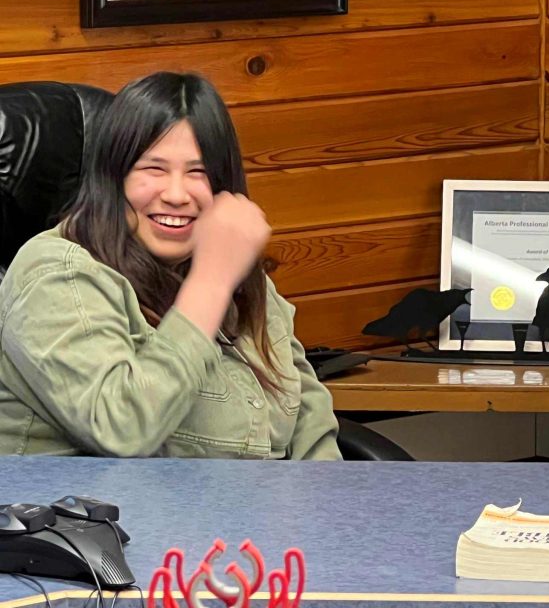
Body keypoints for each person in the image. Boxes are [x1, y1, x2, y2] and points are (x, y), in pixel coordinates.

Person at [0, 72, 341, 459]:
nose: (177, 194)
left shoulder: (235, 272)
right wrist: (211, 284)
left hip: (252, 515)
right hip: (104, 516)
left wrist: (326, 514)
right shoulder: (57, 273)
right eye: (153, 169)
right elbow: (122, 429)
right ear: (113, 179)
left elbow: (313, 427)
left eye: (198, 172)